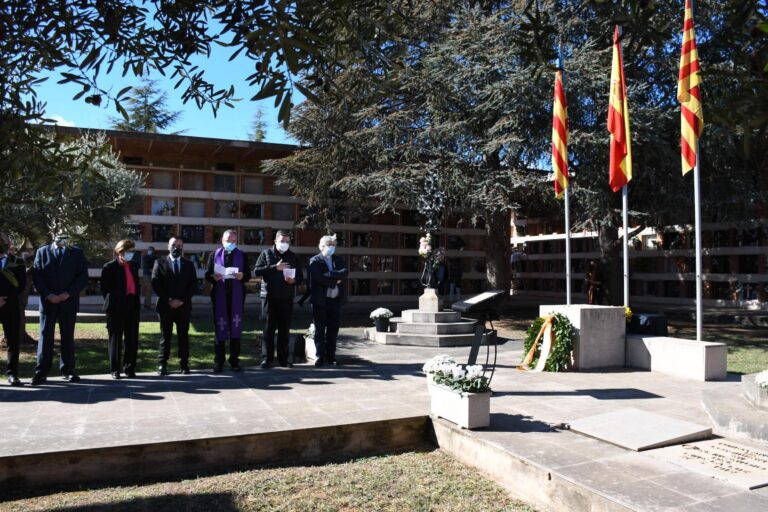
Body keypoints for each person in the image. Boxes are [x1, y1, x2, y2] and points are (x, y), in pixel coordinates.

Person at [31, 232, 89, 384]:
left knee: (67, 337)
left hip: (68, 302)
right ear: (53, 235)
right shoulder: (42, 252)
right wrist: (48, 295)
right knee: (45, 337)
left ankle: (68, 370)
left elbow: (83, 276)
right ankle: (41, 372)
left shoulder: (76, 253)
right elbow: (37, 277)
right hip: (48, 302)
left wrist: (67, 294)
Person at [253, 230, 303, 368]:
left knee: (284, 329)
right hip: (269, 297)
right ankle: (267, 359)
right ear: (275, 241)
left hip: (286, 297)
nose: (284, 244)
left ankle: (283, 359)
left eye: (287, 241)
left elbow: (300, 277)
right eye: (282, 241)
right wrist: (276, 267)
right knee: (268, 329)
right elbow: (257, 271)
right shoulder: (266, 253)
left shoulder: (293, 257)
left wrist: (294, 281)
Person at [205, 229, 251, 373]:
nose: (230, 243)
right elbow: (207, 275)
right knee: (220, 329)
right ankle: (219, 362)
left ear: (236, 241)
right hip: (220, 297)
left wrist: (241, 276)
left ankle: (234, 361)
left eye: (233, 241)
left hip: (236, 297)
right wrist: (214, 277)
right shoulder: (214, 255)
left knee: (235, 330)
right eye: (227, 240)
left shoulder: (242, 255)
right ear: (222, 241)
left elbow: (248, 276)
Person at [152, 237, 197, 375]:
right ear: (168, 246)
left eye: (179, 245)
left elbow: (193, 285)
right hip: (166, 307)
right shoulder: (159, 262)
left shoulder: (188, 265)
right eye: (174, 245)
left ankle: (184, 364)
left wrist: (181, 300)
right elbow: (156, 284)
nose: (177, 248)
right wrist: (170, 300)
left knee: (183, 336)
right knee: (165, 336)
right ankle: (162, 364)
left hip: (183, 307)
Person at [100, 240, 140, 379]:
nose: (131, 254)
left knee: (132, 339)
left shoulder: (134, 266)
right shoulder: (109, 267)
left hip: (131, 306)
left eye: (132, 251)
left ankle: (129, 368)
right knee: (115, 339)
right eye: (128, 251)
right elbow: (105, 290)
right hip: (116, 307)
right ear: (120, 251)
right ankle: (115, 369)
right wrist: (114, 302)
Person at [307, 235, 348, 366]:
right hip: (320, 301)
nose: (331, 247)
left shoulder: (338, 259)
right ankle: (319, 356)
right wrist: (335, 279)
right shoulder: (315, 260)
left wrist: (330, 275)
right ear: (321, 246)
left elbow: (345, 272)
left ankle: (331, 357)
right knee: (319, 330)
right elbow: (318, 278)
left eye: (333, 245)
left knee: (333, 330)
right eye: (329, 244)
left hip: (335, 301)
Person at [1, 243, 26, 385]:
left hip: (10, 305)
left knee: (13, 341)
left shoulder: (18, 261)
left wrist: (5, 298)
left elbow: (21, 285)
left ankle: (12, 373)